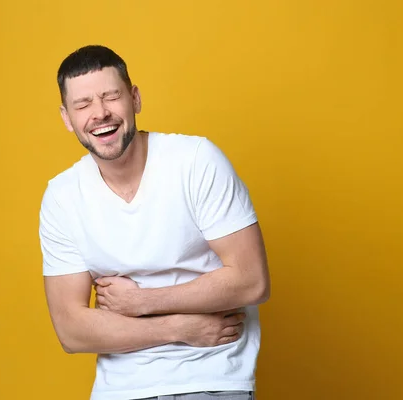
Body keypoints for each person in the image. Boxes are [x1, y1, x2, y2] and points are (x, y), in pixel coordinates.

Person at [39, 44, 270, 400]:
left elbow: (252, 281)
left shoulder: (195, 161)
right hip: (121, 389)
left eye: (111, 96)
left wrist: (143, 302)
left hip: (212, 378)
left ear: (135, 99)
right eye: (83, 105)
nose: (100, 113)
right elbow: (71, 331)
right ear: (67, 118)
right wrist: (178, 328)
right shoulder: (62, 197)